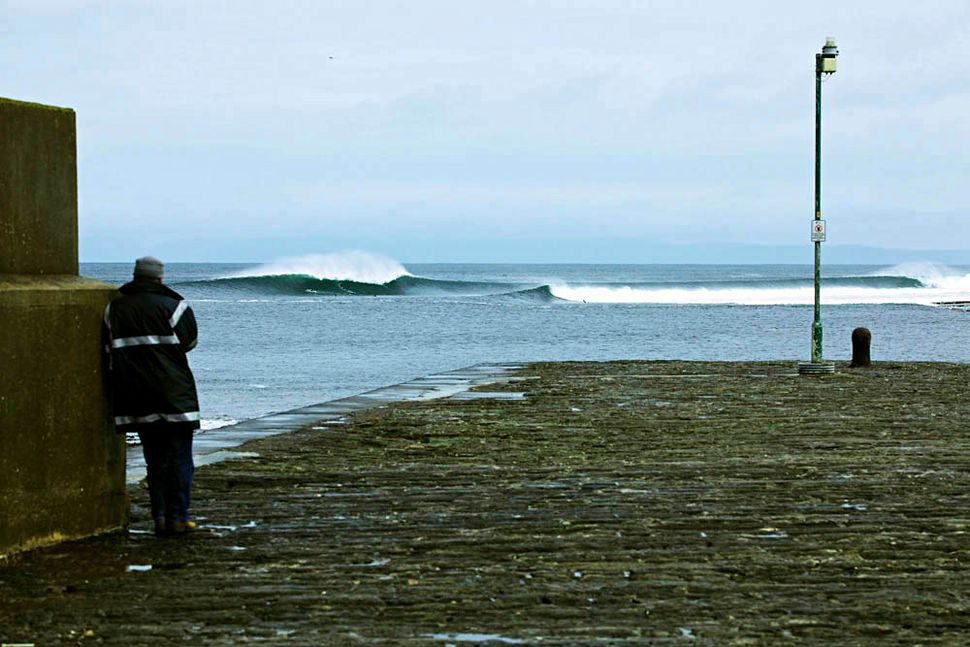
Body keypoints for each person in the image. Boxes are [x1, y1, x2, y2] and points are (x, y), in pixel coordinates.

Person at [103, 256, 200, 536]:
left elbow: (109, 350)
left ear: (135, 277)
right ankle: (178, 516)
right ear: (160, 278)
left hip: (135, 395)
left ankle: (159, 516)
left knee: (154, 459)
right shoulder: (175, 306)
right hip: (174, 393)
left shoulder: (114, 309)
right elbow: (190, 342)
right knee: (180, 457)